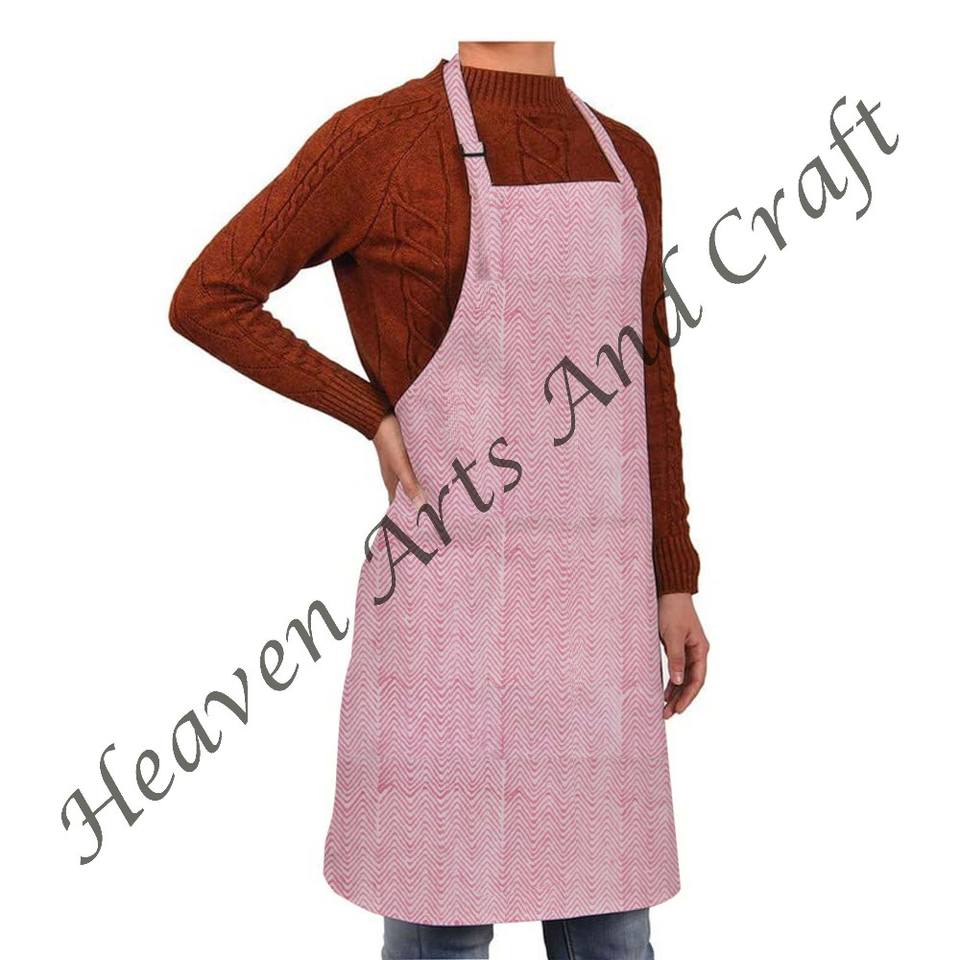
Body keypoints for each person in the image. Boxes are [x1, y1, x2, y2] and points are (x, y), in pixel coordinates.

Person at [169, 40, 709, 960]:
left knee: (612, 934)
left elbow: (645, 378)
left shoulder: (628, 156)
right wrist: (369, 414)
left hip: (594, 622)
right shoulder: (383, 141)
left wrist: (673, 577)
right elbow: (210, 296)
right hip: (449, 618)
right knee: (442, 932)